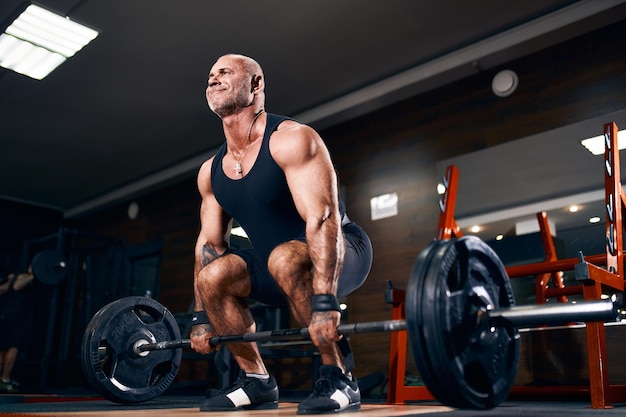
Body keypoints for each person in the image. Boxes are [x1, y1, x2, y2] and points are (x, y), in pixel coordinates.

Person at [190, 54, 373, 414]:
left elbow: (323, 219)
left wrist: (324, 305)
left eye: (225, 73)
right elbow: (209, 246)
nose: (213, 79)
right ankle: (257, 381)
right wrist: (200, 318)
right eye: (210, 76)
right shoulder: (211, 172)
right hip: (275, 262)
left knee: (285, 258)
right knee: (213, 277)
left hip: (341, 248)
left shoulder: (291, 139)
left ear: (256, 84)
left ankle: (340, 377)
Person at [0, 266, 34, 393]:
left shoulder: (23, 278)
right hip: (9, 318)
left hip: (13, 318)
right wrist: (12, 279)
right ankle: (4, 379)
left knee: (8, 348)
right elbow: (15, 286)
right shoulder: (15, 278)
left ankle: (3, 379)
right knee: (10, 348)